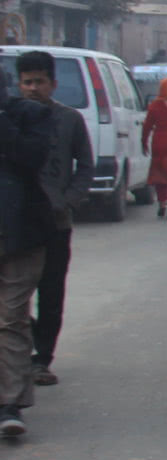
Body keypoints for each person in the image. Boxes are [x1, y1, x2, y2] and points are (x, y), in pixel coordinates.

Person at [16, 53, 91, 387]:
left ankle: (42, 359)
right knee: (13, 294)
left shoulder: (69, 119)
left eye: (40, 82)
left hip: (55, 223)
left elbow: (85, 166)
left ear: (53, 84)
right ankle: (20, 349)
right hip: (16, 224)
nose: (33, 88)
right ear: (19, 85)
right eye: (27, 82)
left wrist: (67, 201)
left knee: (50, 293)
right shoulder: (11, 119)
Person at [0, 81, 54, 440]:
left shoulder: (31, 115)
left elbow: (30, 158)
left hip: (21, 236)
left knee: (10, 318)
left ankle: (10, 404)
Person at [142, 76, 167, 218]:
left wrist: (143, 142)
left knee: (160, 174)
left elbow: (147, 126)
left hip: (159, 143)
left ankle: (162, 204)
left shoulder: (155, 105)